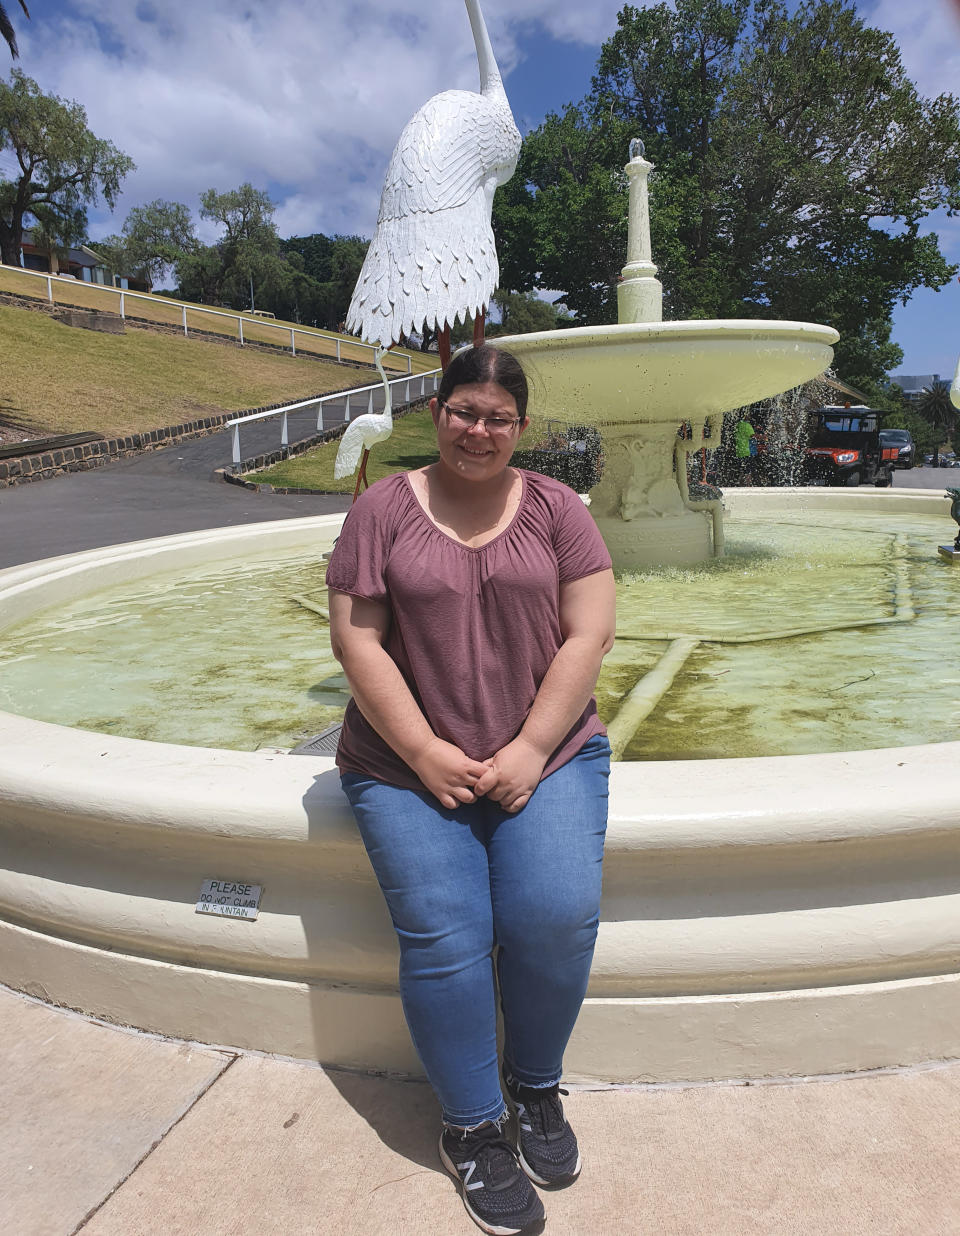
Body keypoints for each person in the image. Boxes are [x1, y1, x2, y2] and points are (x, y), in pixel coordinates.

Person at [326, 343, 616, 1235]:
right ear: (437, 411)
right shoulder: (382, 509)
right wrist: (421, 750)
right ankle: (473, 1128)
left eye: (496, 417)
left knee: (554, 915)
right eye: (463, 411)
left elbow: (589, 632)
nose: (477, 430)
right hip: (404, 764)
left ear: (520, 428)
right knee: (448, 936)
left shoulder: (560, 509)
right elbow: (357, 639)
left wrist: (531, 746)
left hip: (549, 754)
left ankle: (534, 1090)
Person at [733, 412, 757, 483]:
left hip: (739, 451)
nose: (749, 416)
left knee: (742, 470)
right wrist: (764, 437)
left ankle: (740, 484)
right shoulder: (746, 425)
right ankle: (748, 485)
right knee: (748, 471)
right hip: (747, 451)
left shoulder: (737, 425)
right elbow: (753, 436)